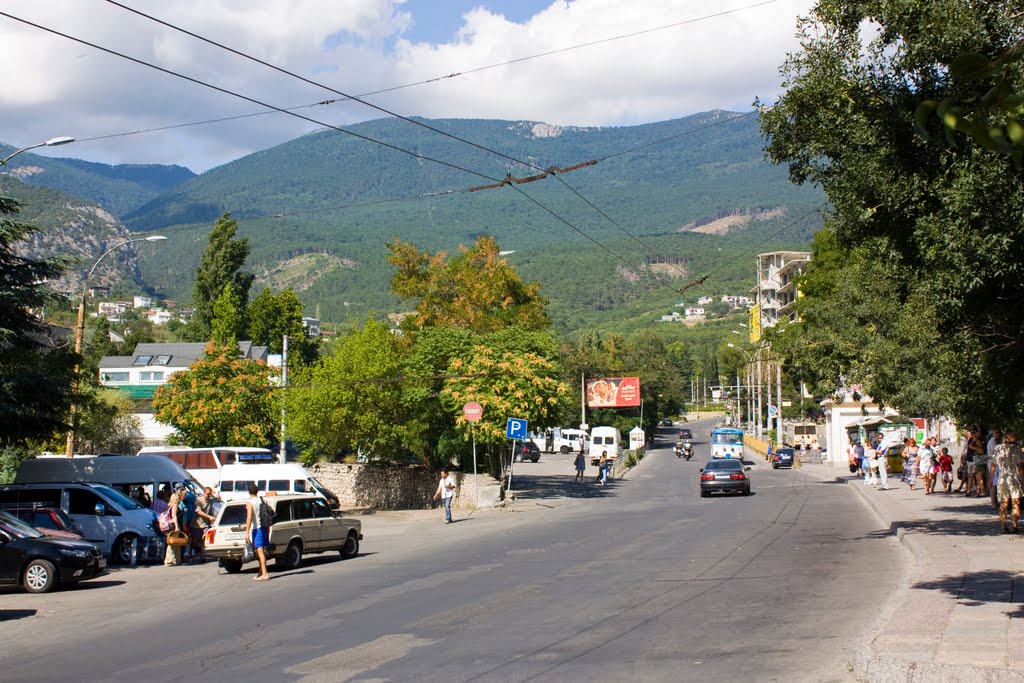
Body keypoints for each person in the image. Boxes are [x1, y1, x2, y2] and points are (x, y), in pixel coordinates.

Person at [992, 432, 1023, 534]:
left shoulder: (998, 448)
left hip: (1002, 479)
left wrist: (991, 479)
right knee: (1016, 503)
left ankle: (1003, 526)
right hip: (1015, 479)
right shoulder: (1017, 449)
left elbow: (993, 465)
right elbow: (1020, 466)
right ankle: (1014, 526)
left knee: (1003, 503)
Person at [246, 483, 270, 581]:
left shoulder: (250, 503)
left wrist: (246, 532)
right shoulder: (261, 500)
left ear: (248, 492)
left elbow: (249, 518)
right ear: (257, 491)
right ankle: (261, 572)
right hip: (264, 527)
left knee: (259, 551)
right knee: (260, 551)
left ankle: (265, 574)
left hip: (257, 528)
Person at [191, 487, 217, 563]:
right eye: (207, 494)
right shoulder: (199, 500)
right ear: (204, 493)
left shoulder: (210, 501)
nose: (209, 496)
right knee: (194, 541)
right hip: (197, 524)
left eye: (210, 495)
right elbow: (198, 512)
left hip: (205, 524)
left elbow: (216, 500)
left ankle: (202, 556)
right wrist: (209, 517)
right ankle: (190, 552)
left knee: (204, 539)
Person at [164, 490, 183, 567]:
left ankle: (177, 560)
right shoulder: (175, 505)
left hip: (170, 527)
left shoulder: (170, 505)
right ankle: (169, 560)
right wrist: (177, 526)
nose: (179, 499)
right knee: (173, 543)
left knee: (175, 543)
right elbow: (174, 516)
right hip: (174, 527)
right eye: (178, 498)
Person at [988, 429, 1003, 510]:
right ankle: (993, 503)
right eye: (996, 432)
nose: (998, 434)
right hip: (994, 463)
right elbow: (996, 453)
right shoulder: (993, 442)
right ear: (993, 433)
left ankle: (995, 502)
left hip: (995, 463)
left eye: (999, 432)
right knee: (993, 483)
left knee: (995, 483)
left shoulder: (996, 441)